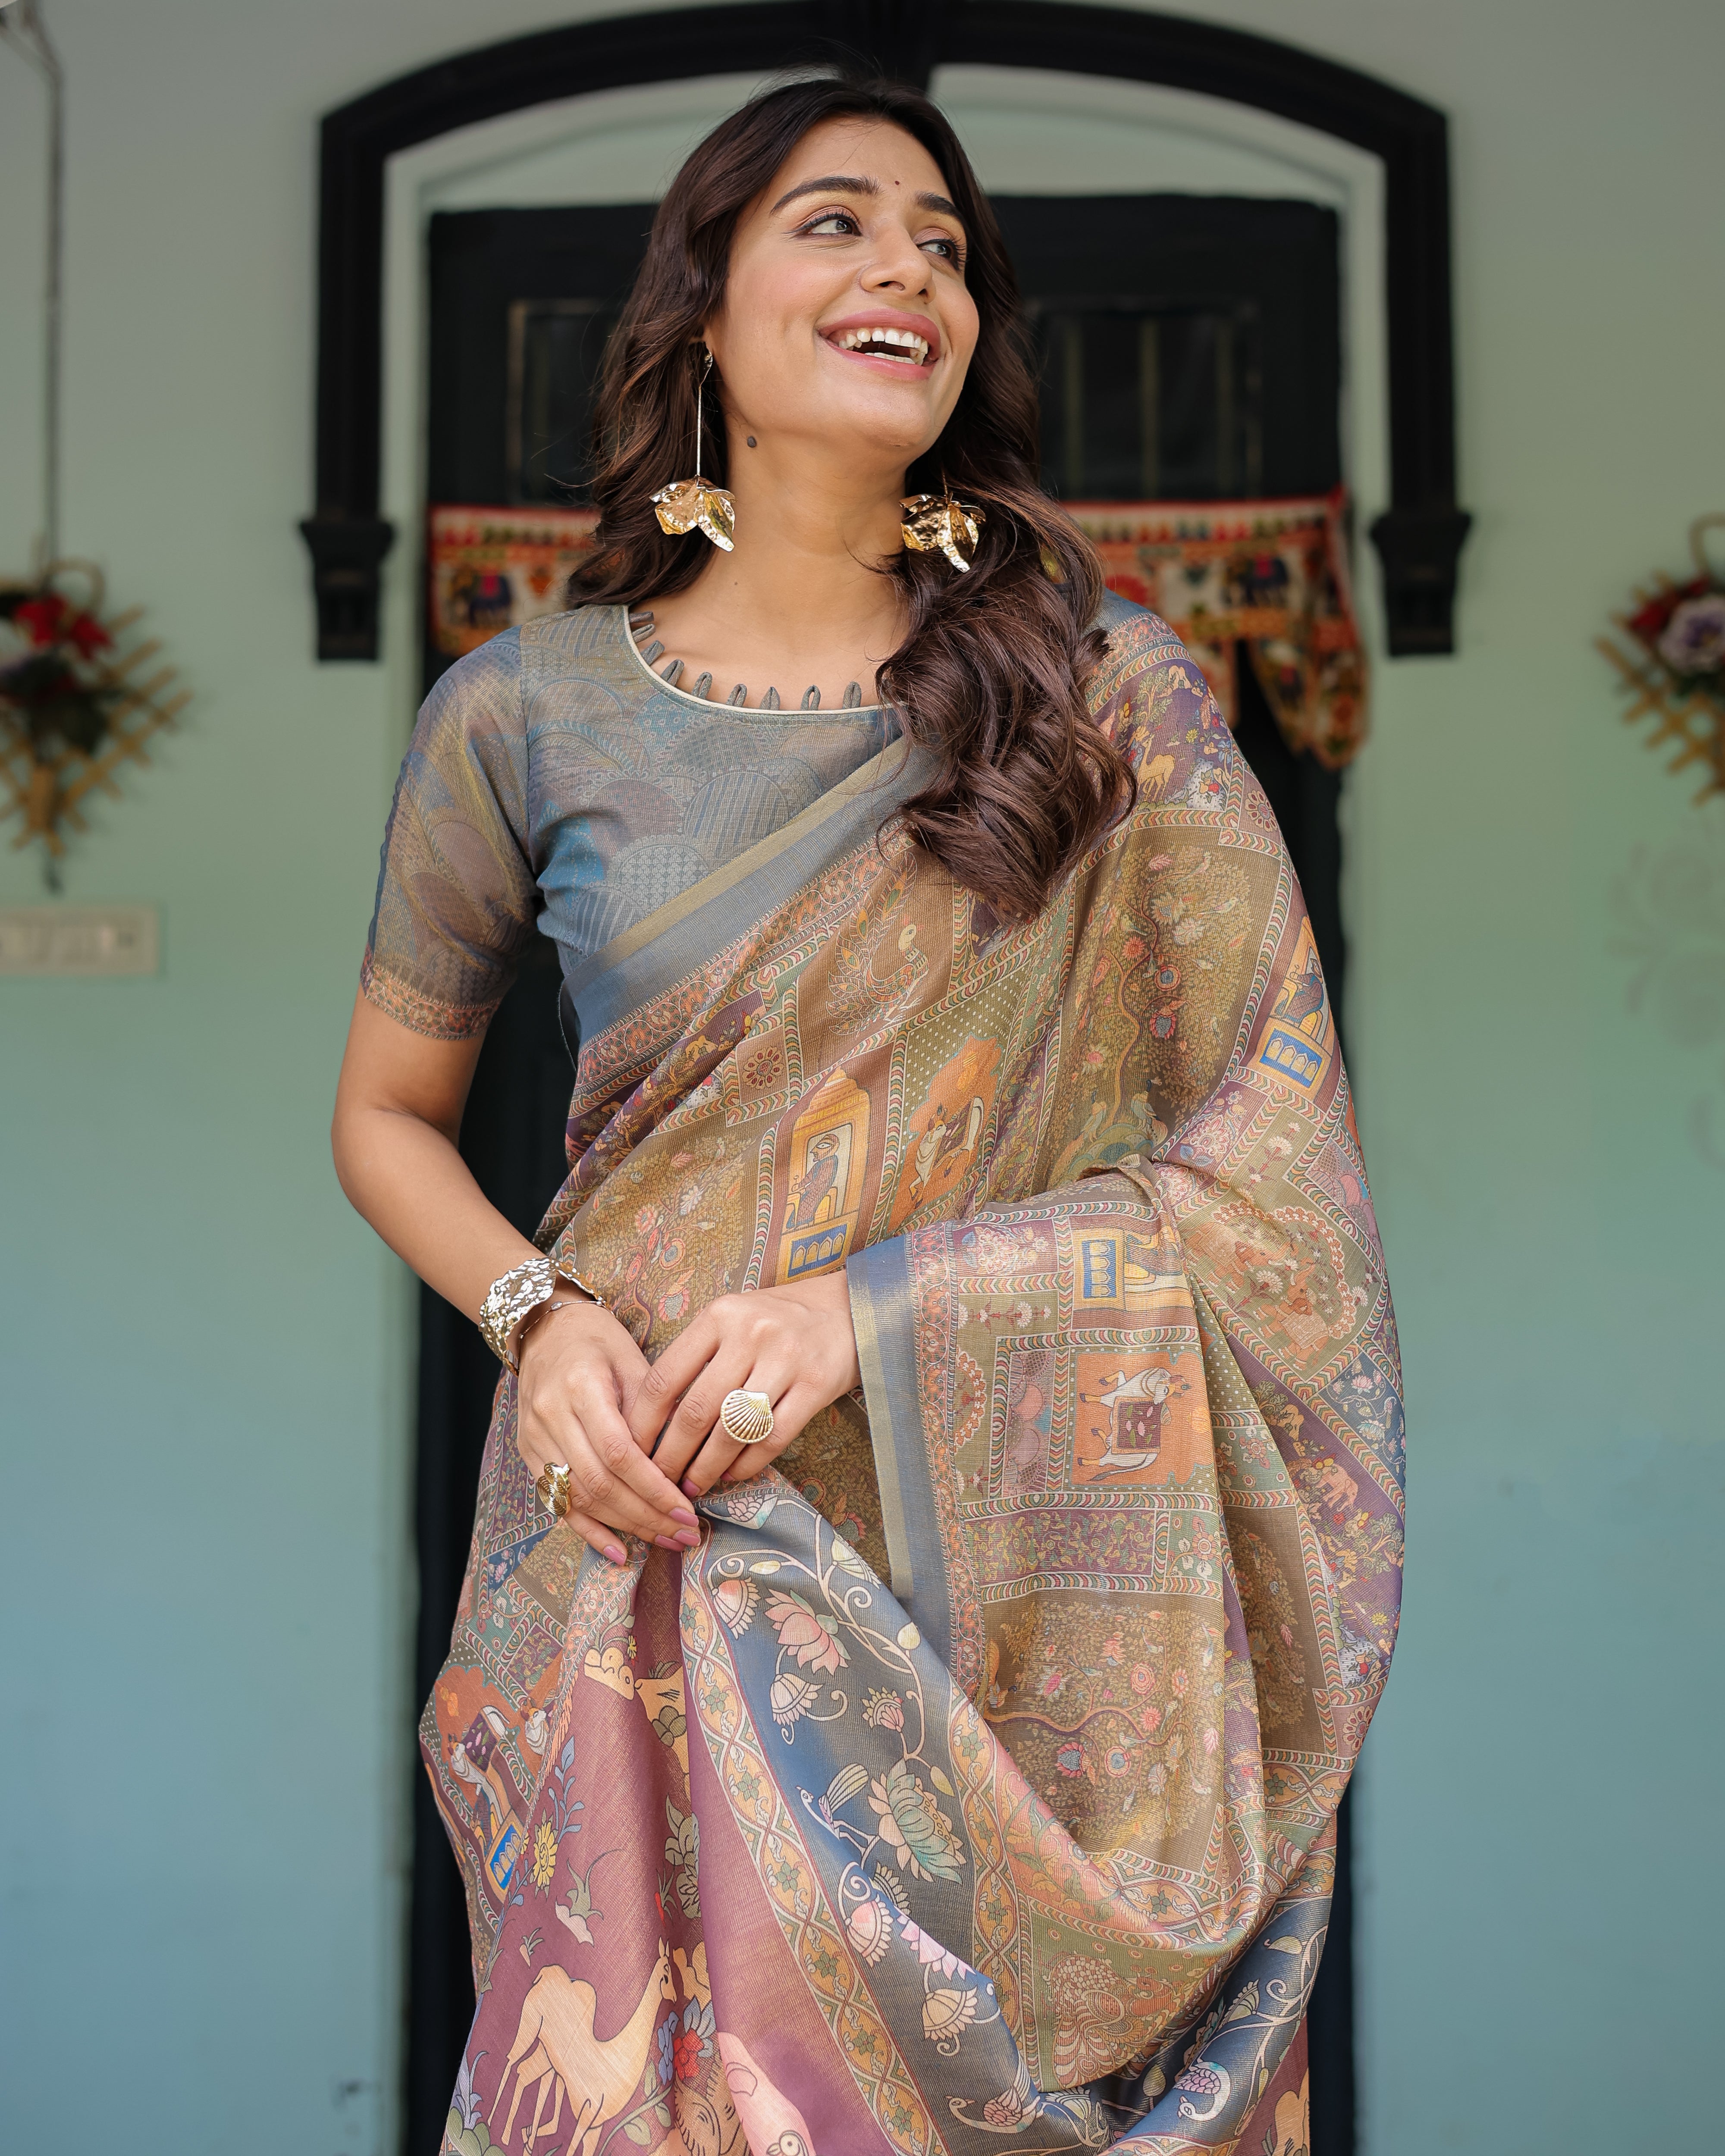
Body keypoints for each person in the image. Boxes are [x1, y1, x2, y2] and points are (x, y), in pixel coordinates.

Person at [331, 74, 1403, 2156]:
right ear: (702, 307)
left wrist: (878, 1308)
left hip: (1006, 1592)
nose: (906, 262)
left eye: (942, 241)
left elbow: (1269, 1158)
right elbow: (386, 1116)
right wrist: (537, 1320)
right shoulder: (523, 710)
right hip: (655, 1516)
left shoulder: (1106, 694)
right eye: (833, 220)